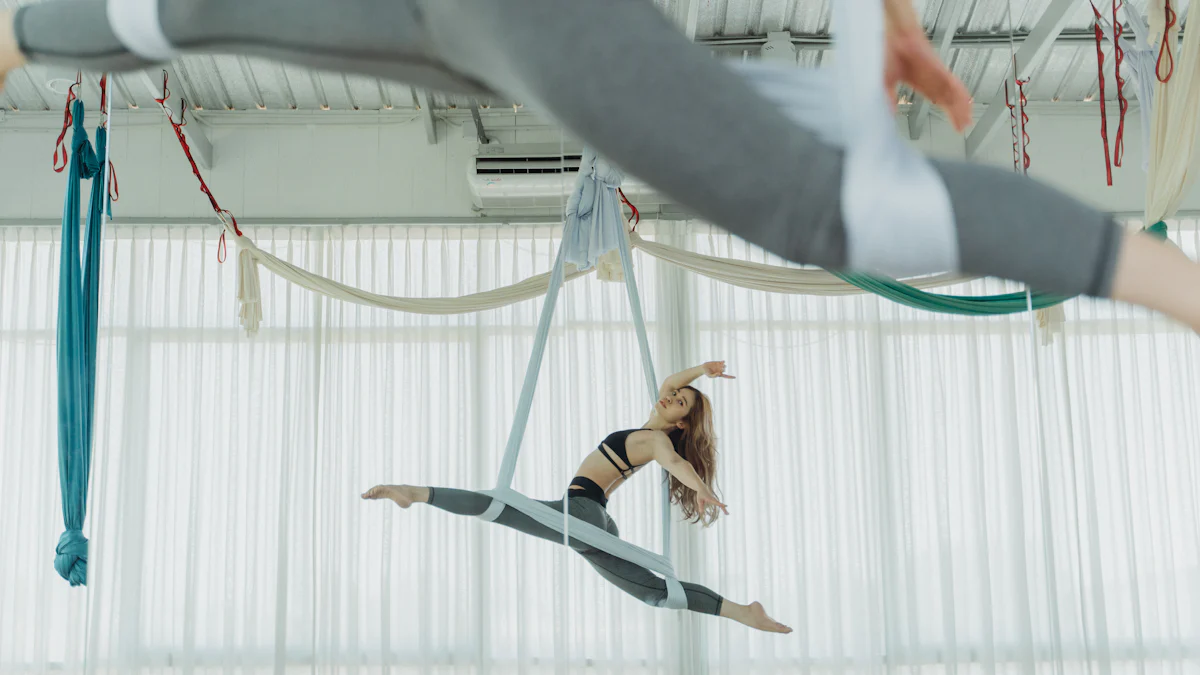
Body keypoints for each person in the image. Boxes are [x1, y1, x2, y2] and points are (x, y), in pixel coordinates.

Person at [1, 0, 1197, 333]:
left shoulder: (667, 445)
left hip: (475, 36)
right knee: (842, 210)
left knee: (199, 17)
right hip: (501, 29)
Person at [363, 361, 793, 633]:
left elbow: (679, 466)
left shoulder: (655, 442)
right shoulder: (649, 426)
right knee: (654, 592)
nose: (671, 395)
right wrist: (701, 370)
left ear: (681, 423)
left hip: (582, 511)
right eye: (675, 395)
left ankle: (415, 493)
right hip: (596, 518)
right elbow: (670, 378)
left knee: (498, 506)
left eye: (680, 402)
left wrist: (704, 492)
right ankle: (740, 611)